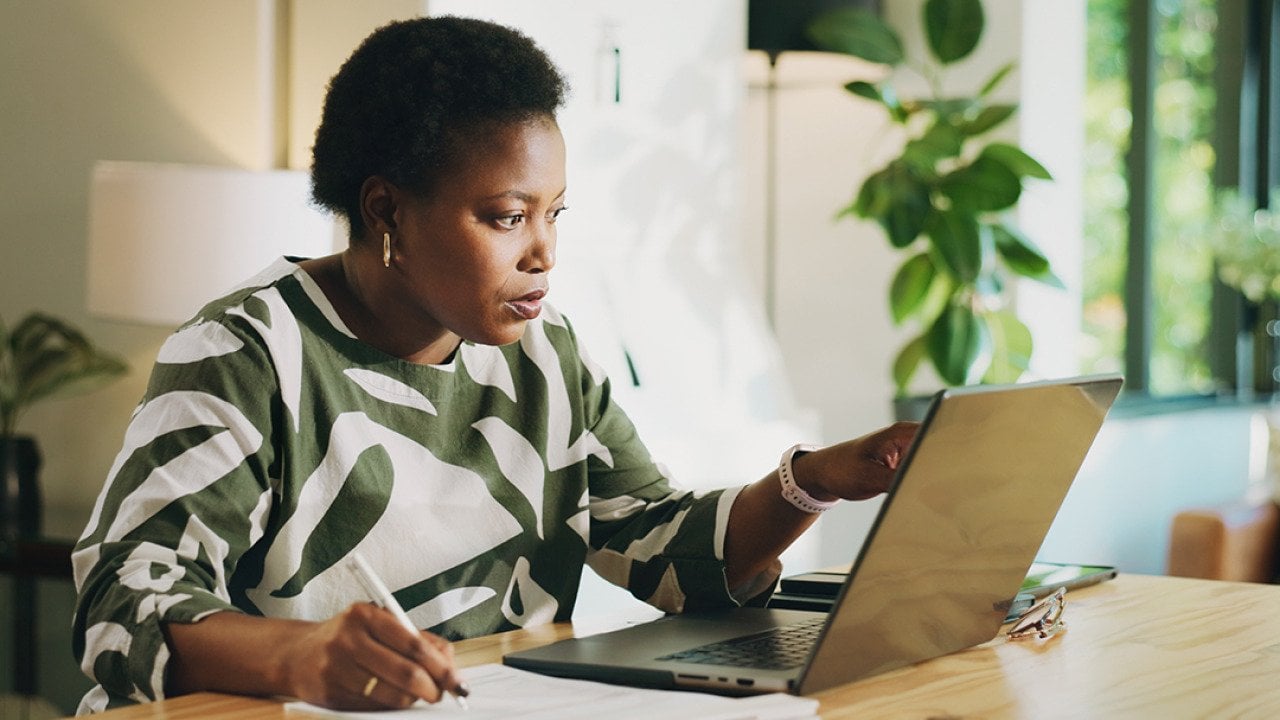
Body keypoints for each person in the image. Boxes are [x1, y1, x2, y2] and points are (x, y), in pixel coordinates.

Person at [71, 15, 917, 714]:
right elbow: (121, 607)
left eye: (555, 213)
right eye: (508, 217)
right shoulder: (246, 354)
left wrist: (814, 480)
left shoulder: (545, 359)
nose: (544, 254)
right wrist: (300, 658)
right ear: (385, 211)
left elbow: (661, 552)